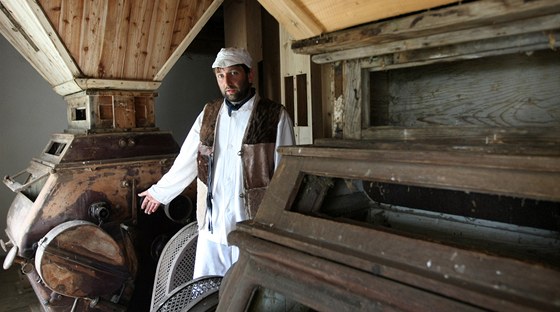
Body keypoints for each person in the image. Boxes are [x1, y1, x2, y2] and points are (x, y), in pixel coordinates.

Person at [139, 47, 295, 278]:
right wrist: (160, 192)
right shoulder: (209, 114)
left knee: (250, 287)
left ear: (249, 75)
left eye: (234, 73)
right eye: (220, 75)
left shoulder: (274, 115)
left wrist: (282, 222)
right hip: (213, 223)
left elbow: (286, 171)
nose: (227, 82)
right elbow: (187, 159)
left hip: (253, 222)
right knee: (207, 287)